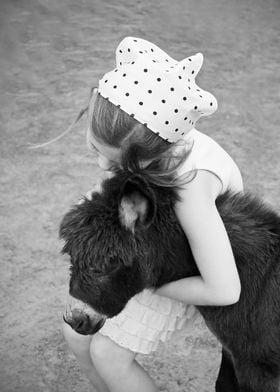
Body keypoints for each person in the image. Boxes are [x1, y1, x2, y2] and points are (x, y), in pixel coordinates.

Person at [62, 37, 243, 392]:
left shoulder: (191, 188)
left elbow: (224, 289)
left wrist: (143, 281)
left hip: (192, 272)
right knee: (75, 335)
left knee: (108, 353)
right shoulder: (146, 138)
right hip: (147, 250)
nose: (102, 165)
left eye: (114, 162)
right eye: (94, 149)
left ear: (155, 153)